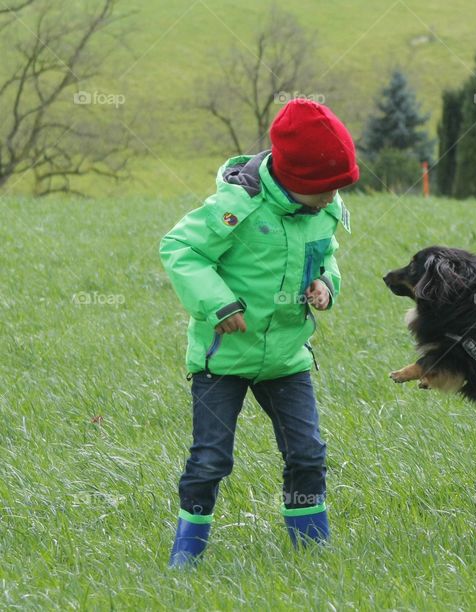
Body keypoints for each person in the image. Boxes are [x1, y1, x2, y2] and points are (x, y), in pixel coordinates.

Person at [158, 99, 358, 567]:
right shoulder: (237, 207)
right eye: (325, 188)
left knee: (308, 453)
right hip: (223, 358)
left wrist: (326, 283)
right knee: (211, 460)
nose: (332, 197)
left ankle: (312, 553)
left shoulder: (323, 209)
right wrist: (218, 304)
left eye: (338, 187)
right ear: (294, 178)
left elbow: (326, 257)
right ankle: (186, 556)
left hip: (287, 358)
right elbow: (180, 248)